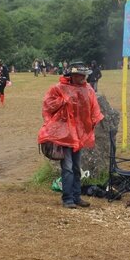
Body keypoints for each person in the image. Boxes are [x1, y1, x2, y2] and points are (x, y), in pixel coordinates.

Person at [38, 62, 103, 209]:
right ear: (73, 75)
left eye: (84, 75)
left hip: (79, 136)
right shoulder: (59, 88)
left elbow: (93, 108)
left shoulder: (88, 89)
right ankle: (67, 199)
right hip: (64, 135)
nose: (84, 78)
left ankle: (76, 196)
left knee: (76, 167)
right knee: (67, 167)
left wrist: (91, 123)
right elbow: (48, 105)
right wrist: (63, 100)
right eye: (81, 75)